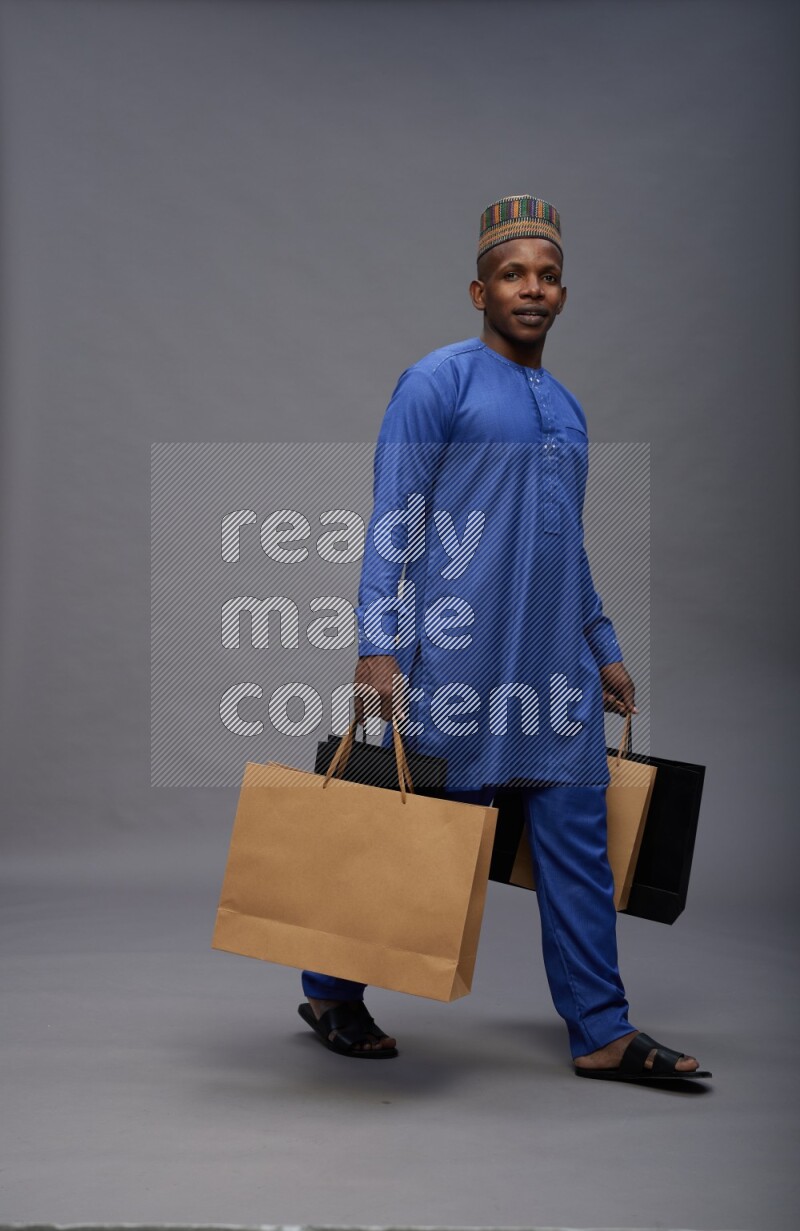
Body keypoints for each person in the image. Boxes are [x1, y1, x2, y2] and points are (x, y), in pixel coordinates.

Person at [297, 195, 710, 1083]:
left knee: (580, 845)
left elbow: (566, 540)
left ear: (563, 293)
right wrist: (376, 643)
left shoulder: (568, 409)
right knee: (416, 840)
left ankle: (601, 1030)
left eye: (548, 276)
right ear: (479, 291)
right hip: (459, 659)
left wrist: (602, 643)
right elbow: (394, 516)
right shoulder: (436, 382)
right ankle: (330, 989)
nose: (532, 288)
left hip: (554, 667)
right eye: (514, 274)